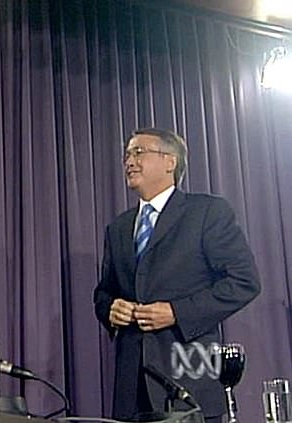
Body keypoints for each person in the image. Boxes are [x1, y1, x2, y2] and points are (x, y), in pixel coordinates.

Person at [93, 128, 260, 422]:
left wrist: (176, 312)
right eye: (128, 154)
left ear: (170, 162)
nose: (129, 161)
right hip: (131, 387)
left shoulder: (207, 212)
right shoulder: (118, 228)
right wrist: (111, 308)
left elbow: (244, 281)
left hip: (188, 376)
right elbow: (104, 293)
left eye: (139, 152)